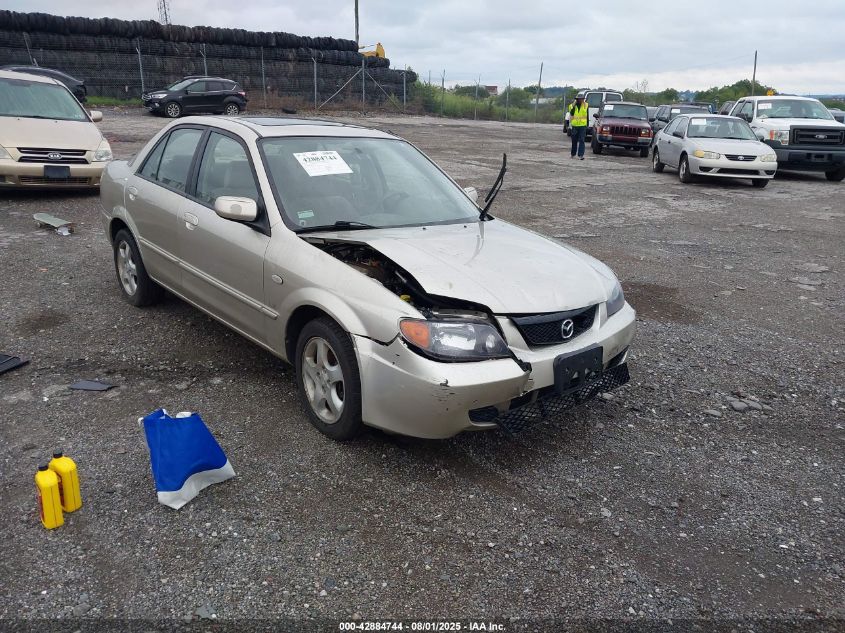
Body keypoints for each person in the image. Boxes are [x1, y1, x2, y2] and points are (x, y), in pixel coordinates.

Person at [566, 93, 589, 160]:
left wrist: (587, 124)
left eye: (582, 99)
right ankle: (573, 154)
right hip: (575, 125)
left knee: (582, 140)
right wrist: (574, 106)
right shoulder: (571, 106)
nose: (581, 100)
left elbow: (587, 115)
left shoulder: (586, 105)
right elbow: (572, 113)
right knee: (574, 140)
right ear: (577, 99)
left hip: (582, 126)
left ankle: (581, 155)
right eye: (579, 99)